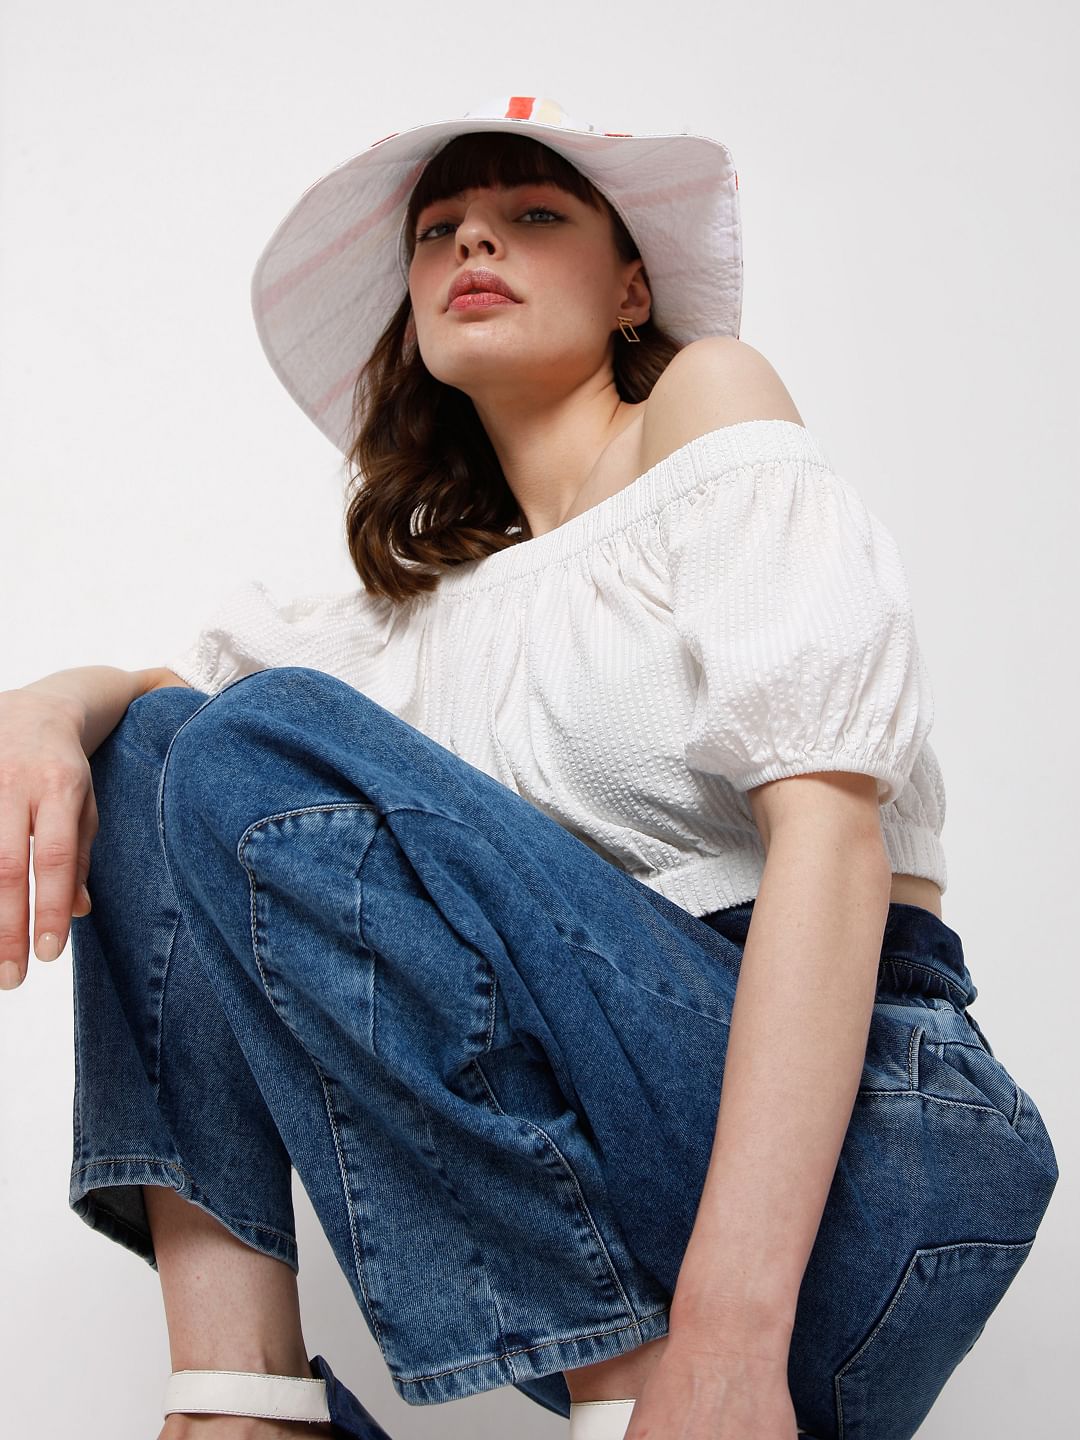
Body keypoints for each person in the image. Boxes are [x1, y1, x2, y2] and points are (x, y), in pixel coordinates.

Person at [1, 95, 1059, 1440]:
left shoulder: (705, 408)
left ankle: (639, 1382)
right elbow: (172, 726)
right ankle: (243, 1404)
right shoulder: (416, 615)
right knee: (162, 752)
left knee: (247, 733)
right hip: (630, 1183)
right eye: (437, 229)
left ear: (632, 290)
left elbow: (832, 838)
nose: (472, 241)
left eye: (532, 213)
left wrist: (730, 1343)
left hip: (864, 1143)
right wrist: (40, 708)